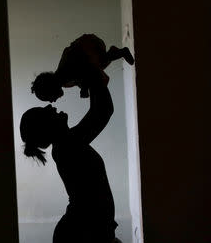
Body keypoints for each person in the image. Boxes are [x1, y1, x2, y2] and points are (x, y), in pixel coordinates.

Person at [20, 70, 120, 243]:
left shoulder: (66, 144)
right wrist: (91, 73)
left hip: (83, 231)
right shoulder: (67, 144)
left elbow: (101, 111)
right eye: (45, 112)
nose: (50, 106)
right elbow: (103, 111)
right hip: (83, 233)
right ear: (46, 128)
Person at [31, 34, 134, 102]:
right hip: (90, 48)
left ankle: (116, 53)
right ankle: (114, 53)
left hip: (89, 44)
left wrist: (84, 87)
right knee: (98, 68)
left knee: (97, 71)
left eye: (49, 98)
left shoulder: (64, 72)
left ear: (50, 88)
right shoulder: (65, 81)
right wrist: (84, 87)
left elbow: (83, 72)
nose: (52, 101)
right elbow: (80, 78)